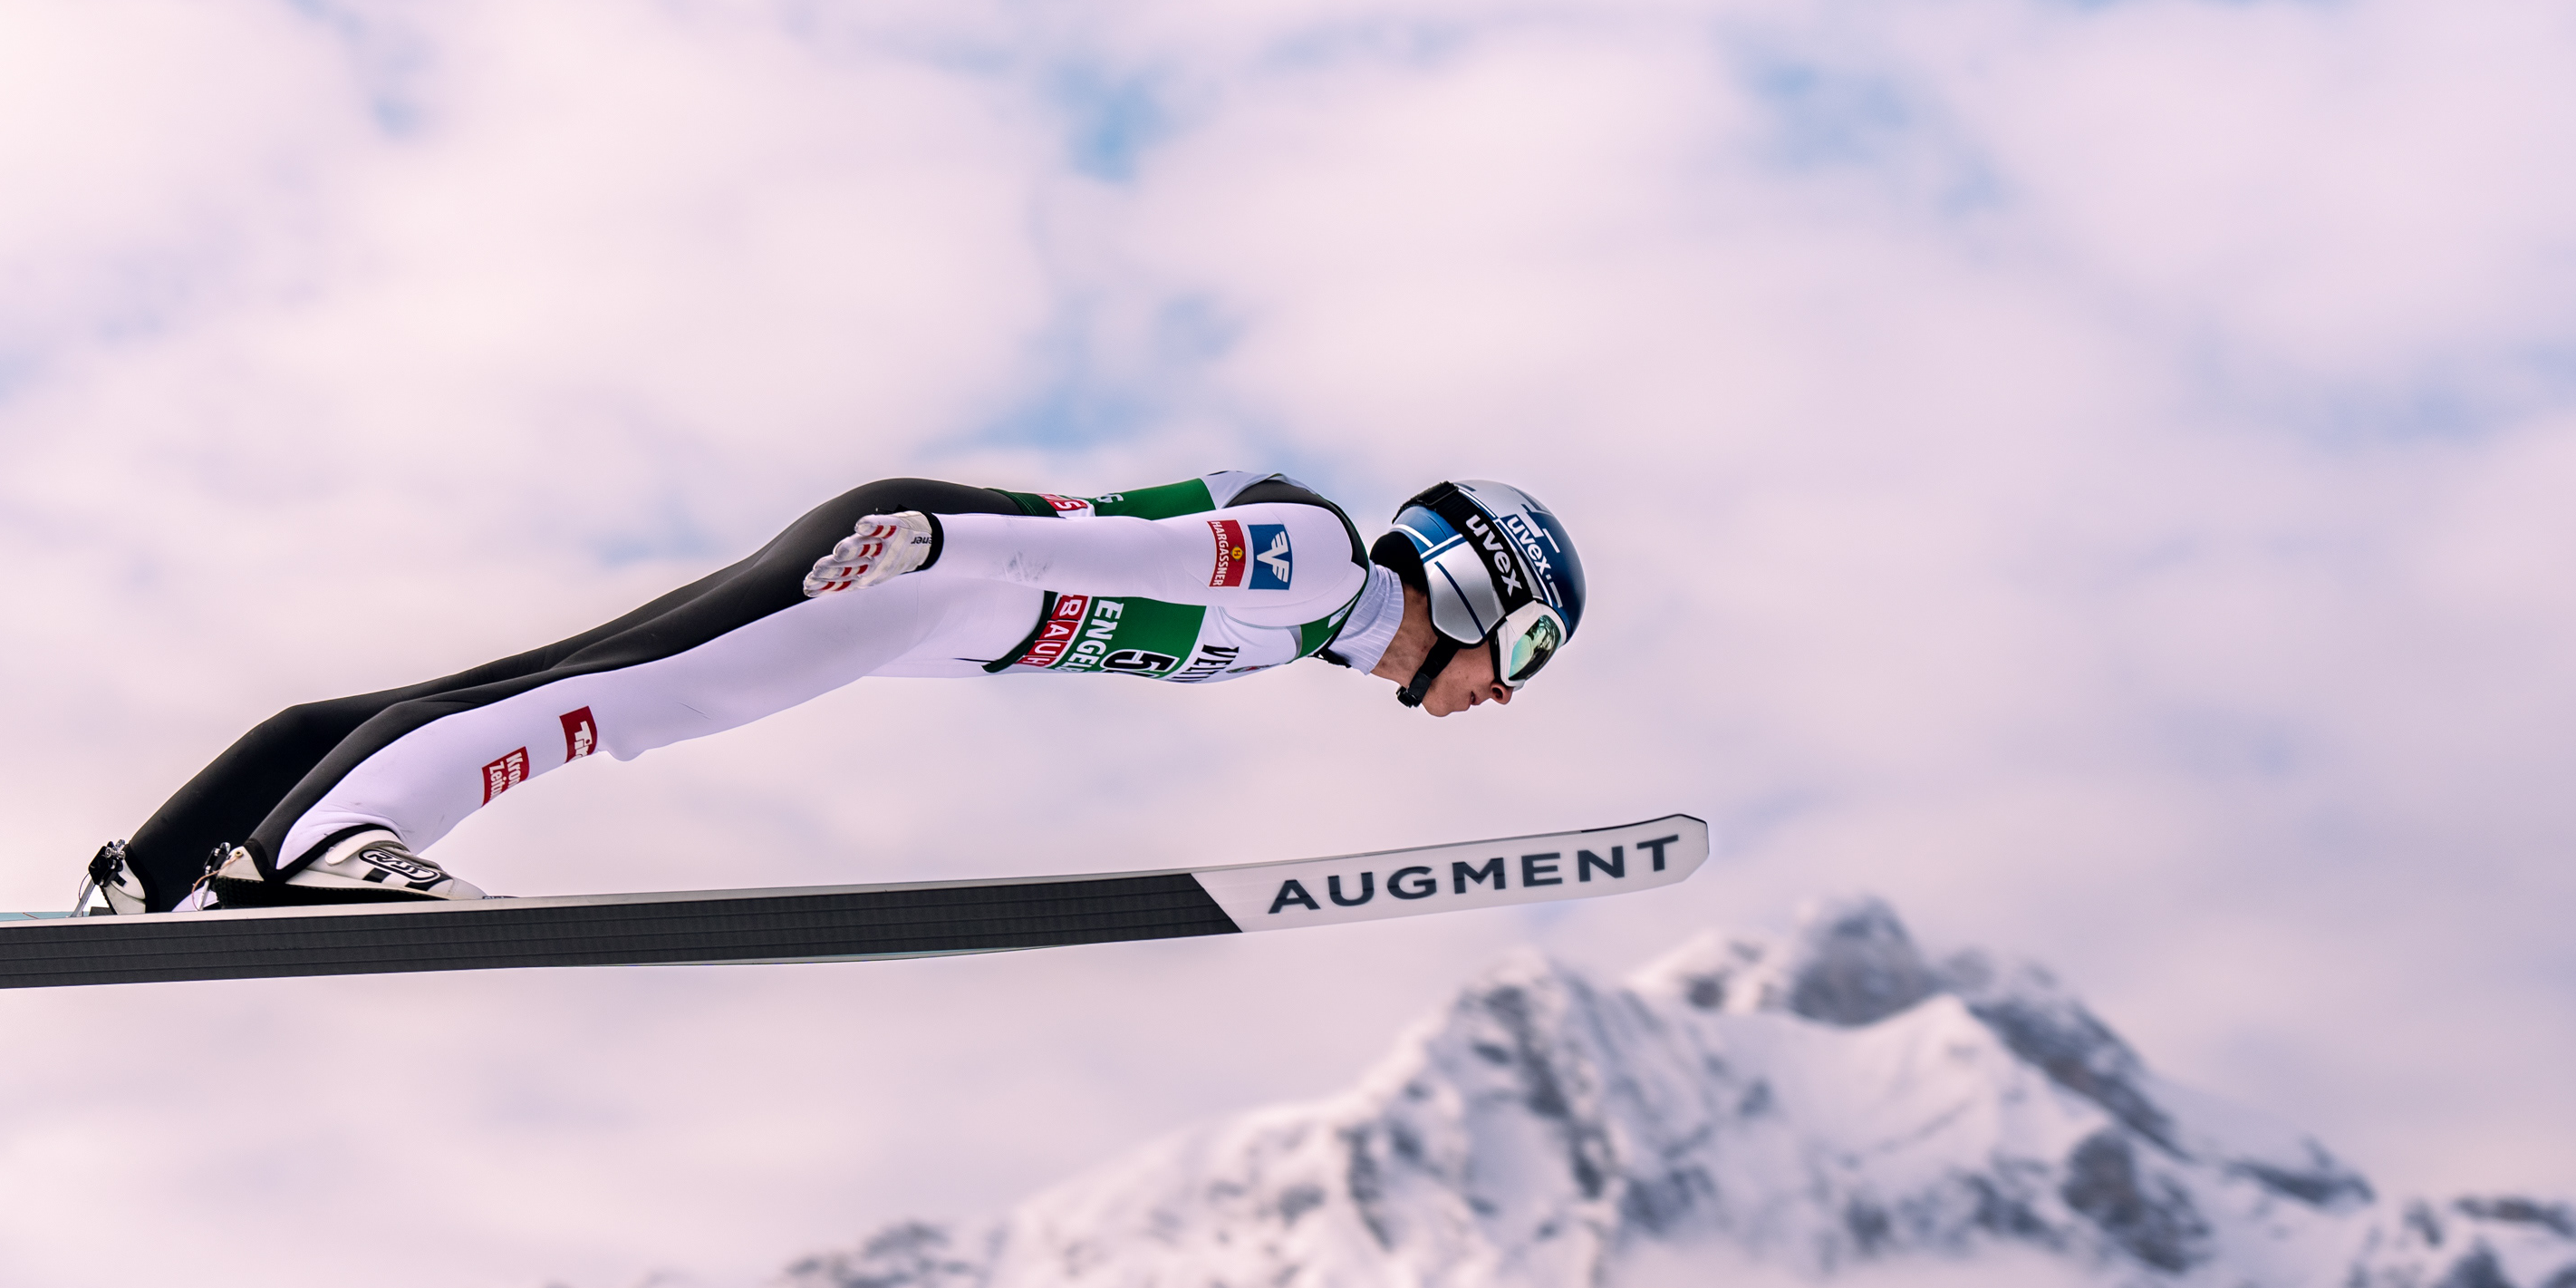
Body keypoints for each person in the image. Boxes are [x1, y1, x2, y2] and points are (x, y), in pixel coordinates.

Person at [80, 471, 1586, 912]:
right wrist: (937, 546)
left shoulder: (1309, 624)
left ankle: (167, 865)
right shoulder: (1320, 566)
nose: (1504, 696)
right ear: (1472, 590)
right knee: (631, 702)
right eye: (1523, 653)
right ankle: (328, 850)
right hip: (918, 573)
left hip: (926, 614)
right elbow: (1138, 545)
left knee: (553, 679)